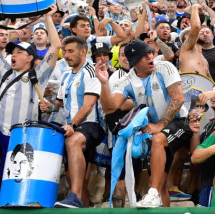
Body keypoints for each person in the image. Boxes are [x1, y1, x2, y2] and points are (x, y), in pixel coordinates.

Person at [98, 39, 186, 208]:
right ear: (134, 63)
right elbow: (110, 108)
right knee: (160, 183)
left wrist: (160, 125)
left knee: (158, 139)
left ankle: (151, 192)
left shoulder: (165, 67)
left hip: (180, 122)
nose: (151, 56)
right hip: (155, 131)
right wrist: (103, 84)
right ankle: (155, 194)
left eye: (150, 53)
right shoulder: (126, 81)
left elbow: (179, 98)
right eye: (144, 56)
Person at [50, 37, 103, 208]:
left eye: (70, 51)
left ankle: (74, 196)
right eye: (64, 51)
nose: (66, 55)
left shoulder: (91, 71)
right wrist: (48, 106)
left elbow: (89, 104)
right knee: (77, 178)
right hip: (70, 128)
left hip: (90, 125)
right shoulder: (65, 75)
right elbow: (59, 104)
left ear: (82, 52)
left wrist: (72, 125)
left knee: (73, 142)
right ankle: (78, 201)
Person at [177, 5, 211, 77]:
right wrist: (195, 7)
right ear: (186, 36)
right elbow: (196, 26)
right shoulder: (186, 47)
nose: (202, 33)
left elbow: (210, 82)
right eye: (199, 32)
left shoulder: (204, 60)